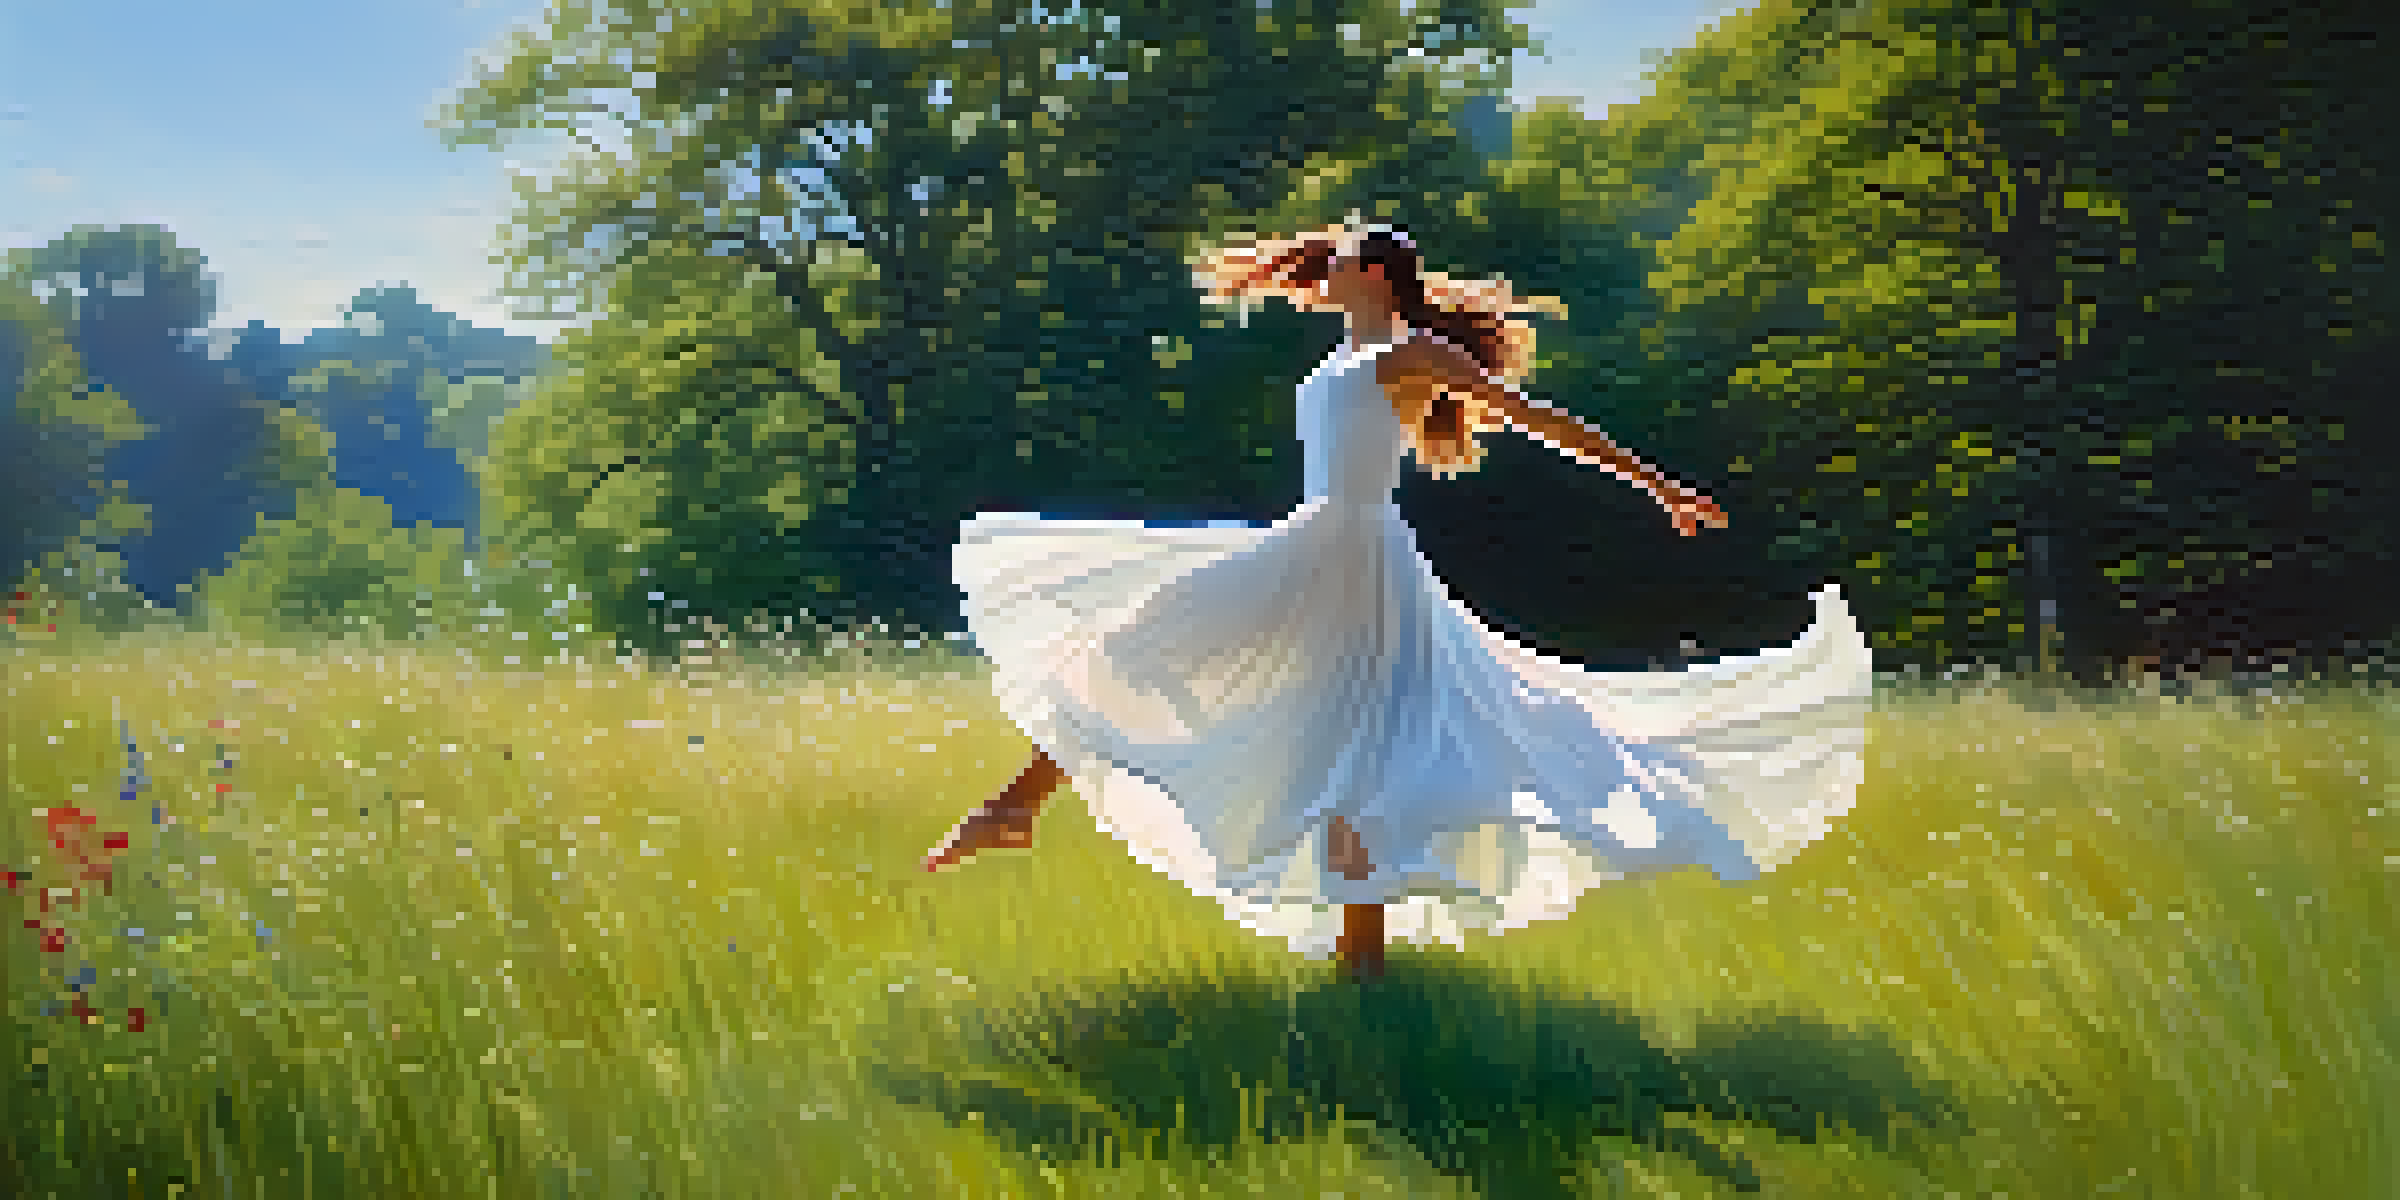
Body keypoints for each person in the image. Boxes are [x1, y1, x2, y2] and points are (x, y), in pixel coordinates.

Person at [926, 215, 1873, 982]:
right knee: (1159, 652)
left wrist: (1656, 486)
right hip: (1321, 548)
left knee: (1343, 750)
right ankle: (1023, 810)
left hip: (1355, 557)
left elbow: (1535, 419)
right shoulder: (1348, 355)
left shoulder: (1411, 354)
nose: (1322, 274)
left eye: (1337, 265)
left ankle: (1357, 967)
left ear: (1375, 279)